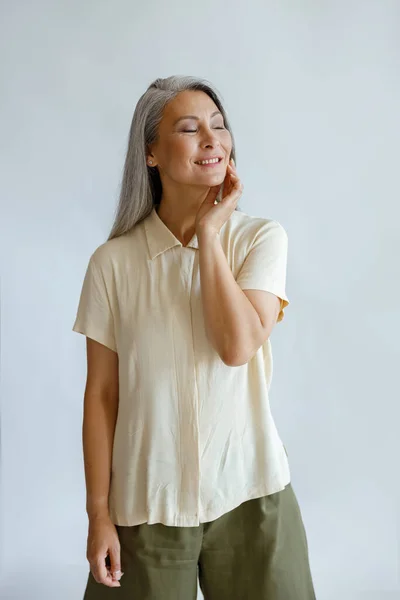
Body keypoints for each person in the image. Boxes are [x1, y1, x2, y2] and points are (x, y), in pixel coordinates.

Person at [72, 75, 317, 599]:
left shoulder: (259, 239)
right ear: (152, 154)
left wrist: (209, 235)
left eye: (219, 125)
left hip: (252, 495)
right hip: (146, 505)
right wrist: (99, 515)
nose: (213, 139)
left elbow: (236, 346)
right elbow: (102, 396)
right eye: (190, 128)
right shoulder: (112, 265)